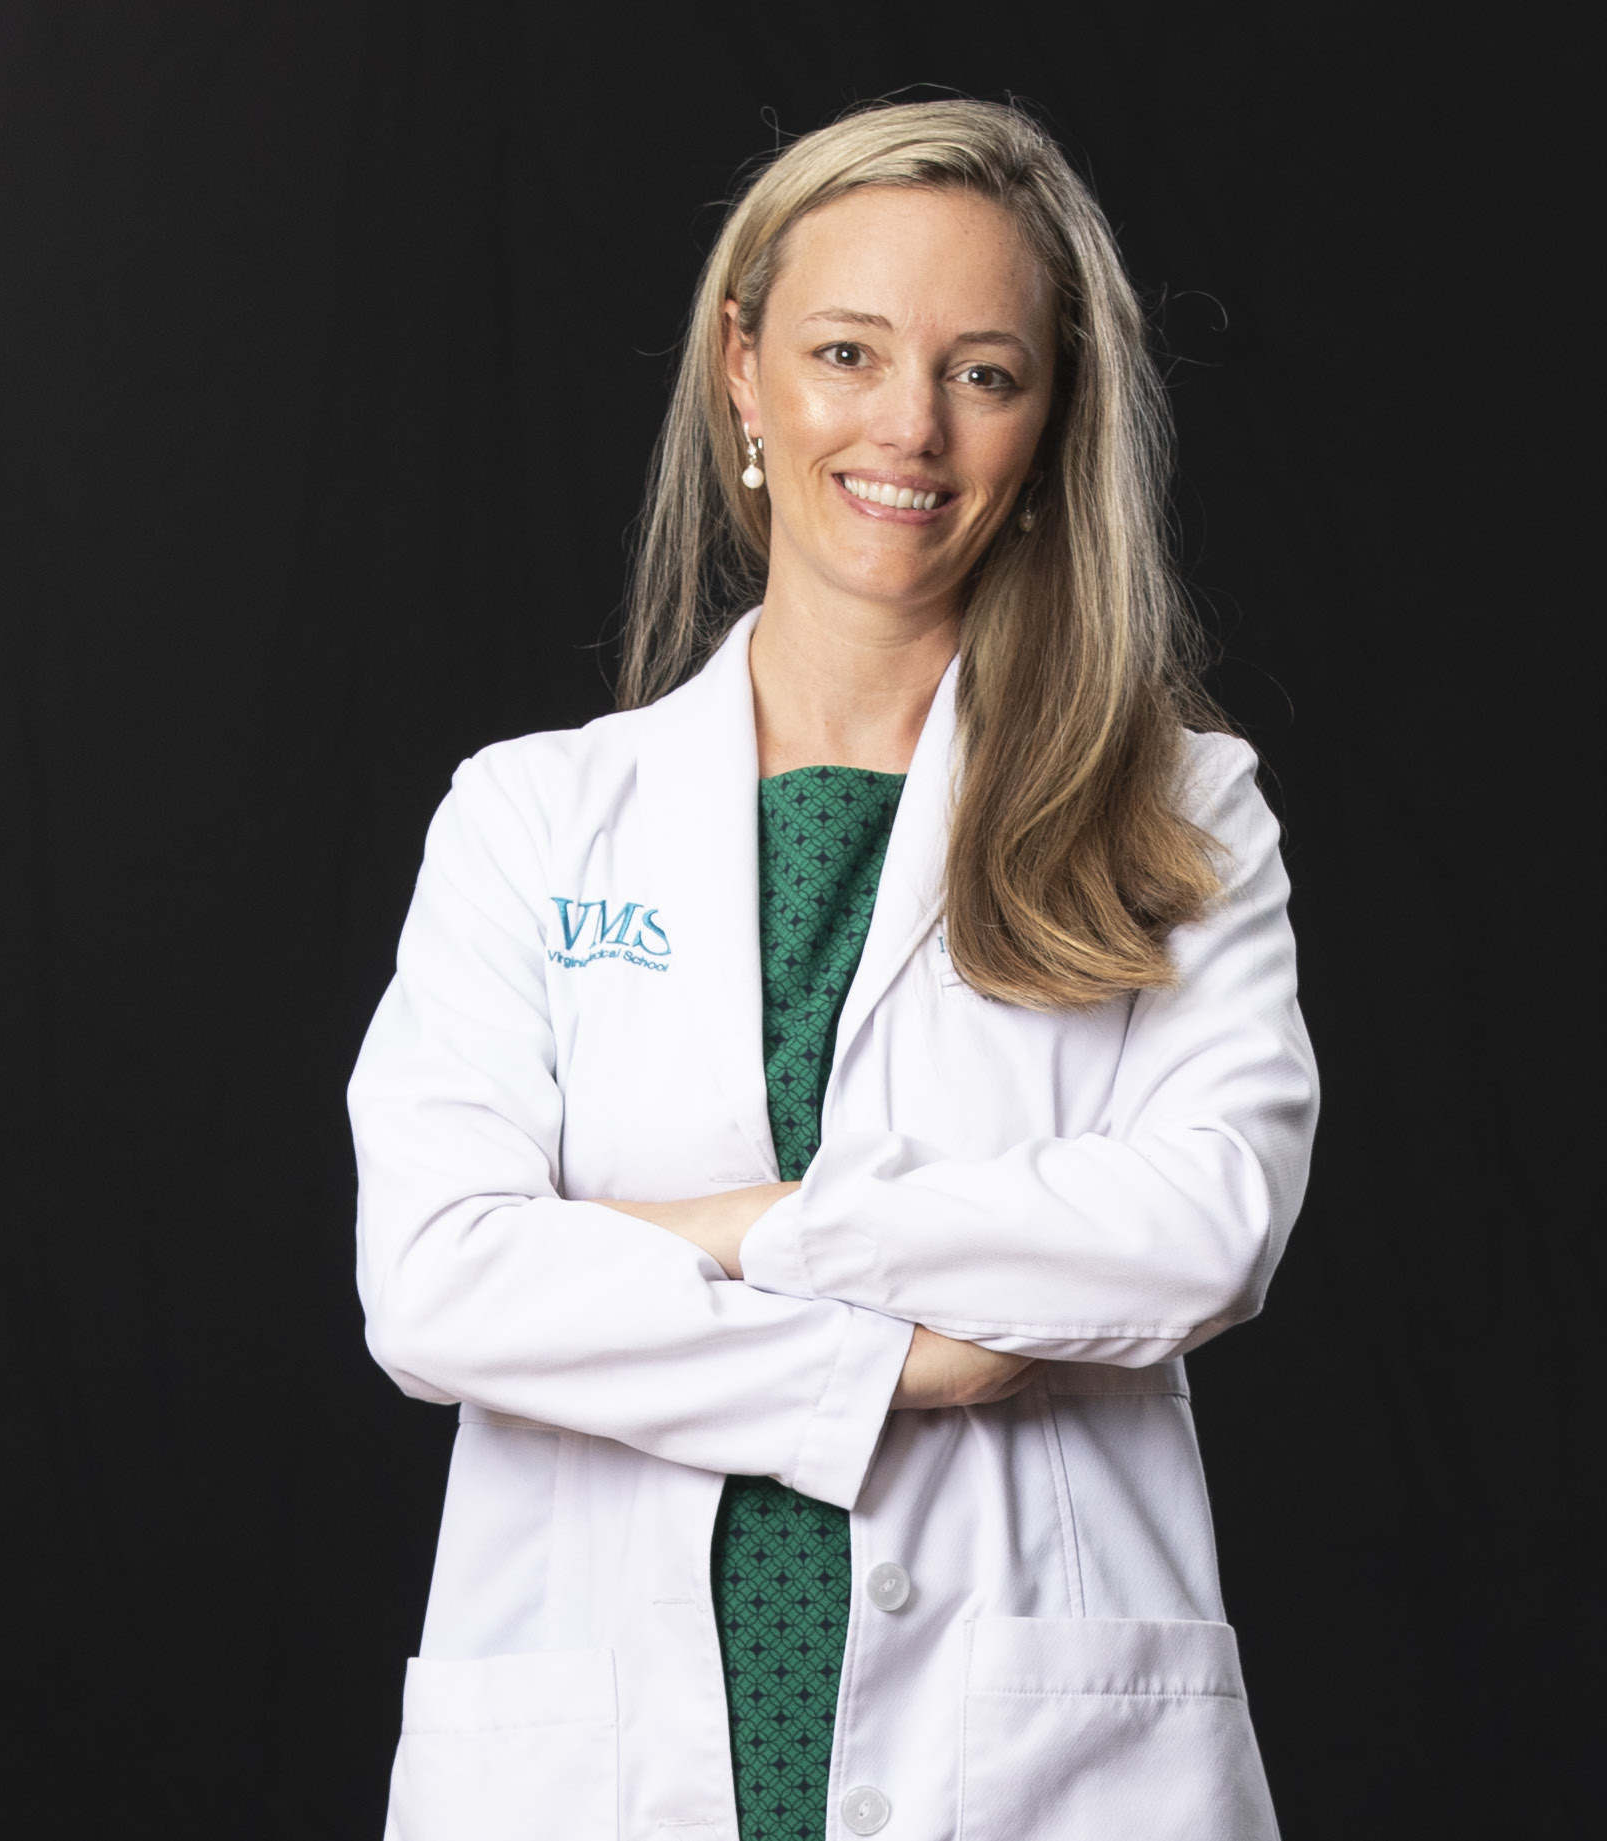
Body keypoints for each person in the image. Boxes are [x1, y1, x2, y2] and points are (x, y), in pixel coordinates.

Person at [348, 99, 1317, 1841]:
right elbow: (433, 1284)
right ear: (742, 369)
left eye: (986, 373)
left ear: (1053, 415)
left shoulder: (1185, 814)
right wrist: (907, 1360)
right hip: (589, 1760)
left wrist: (742, 1235)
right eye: (847, 351)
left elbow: (1201, 1223)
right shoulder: (529, 817)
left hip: (1048, 1772)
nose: (909, 428)